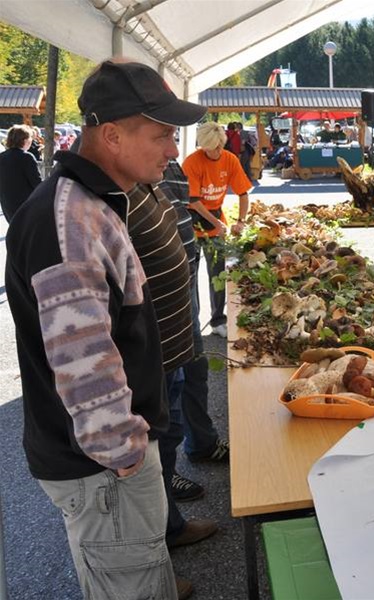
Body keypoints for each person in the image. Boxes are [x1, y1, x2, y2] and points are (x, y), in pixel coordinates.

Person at [5, 59, 208, 600]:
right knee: (130, 586)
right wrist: (128, 458)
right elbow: (85, 366)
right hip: (102, 468)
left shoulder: (90, 201)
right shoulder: (69, 223)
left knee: (139, 574)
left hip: (107, 462)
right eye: (162, 135)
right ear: (112, 135)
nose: (173, 150)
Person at [127, 178, 218, 599]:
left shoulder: (147, 180)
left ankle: (170, 526)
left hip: (174, 337)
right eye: (160, 143)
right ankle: (148, 577)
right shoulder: (108, 194)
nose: (171, 149)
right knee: (151, 448)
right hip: (151, 349)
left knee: (168, 435)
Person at [161, 158, 232, 466]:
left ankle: (202, 443)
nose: (173, 149)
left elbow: (182, 208)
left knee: (194, 369)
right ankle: (163, 479)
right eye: (163, 136)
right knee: (167, 383)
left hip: (182, 284)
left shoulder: (170, 164)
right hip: (159, 295)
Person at [182, 121, 252, 338]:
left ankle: (218, 320)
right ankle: (192, 322)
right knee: (191, 277)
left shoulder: (230, 160)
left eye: (216, 147)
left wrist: (240, 221)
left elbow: (243, 194)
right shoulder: (192, 162)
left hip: (215, 221)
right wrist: (216, 222)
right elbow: (193, 201)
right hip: (192, 223)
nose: (213, 152)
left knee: (218, 275)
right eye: (208, 148)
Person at [0, 124, 41, 222]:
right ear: (25, 140)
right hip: (25, 203)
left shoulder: (2, 156)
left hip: (7, 202)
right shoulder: (27, 157)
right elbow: (36, 182)